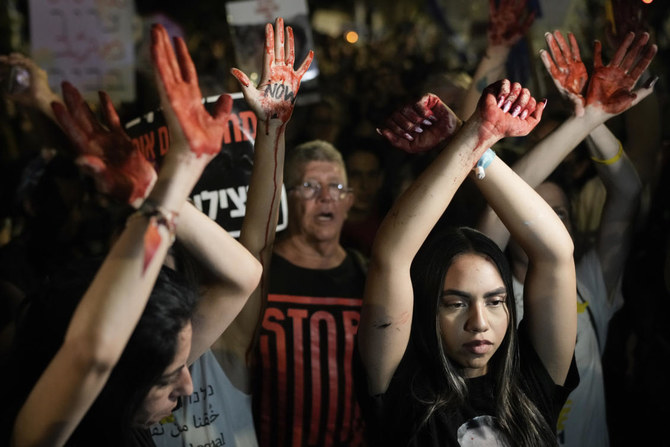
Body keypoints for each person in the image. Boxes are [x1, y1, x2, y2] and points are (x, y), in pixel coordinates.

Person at [3, 23, 262, 446]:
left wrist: (149, 191)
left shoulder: (139, 376)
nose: (187, 387)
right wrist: (179, 171)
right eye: (165, 379)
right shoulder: (41, 433)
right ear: (111, 378)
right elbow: (92, 354)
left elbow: (244, 277)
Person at [357, 79, 578, 446]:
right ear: (428, 307)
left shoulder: (530, 383)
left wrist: (477, 144)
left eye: (495, 302)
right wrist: (475, 135)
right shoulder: (403, 391)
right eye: (455, 303)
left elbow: (556, 254)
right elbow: (392, 256)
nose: (479, 323)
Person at [476, 30, 656, 447]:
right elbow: (499, 203)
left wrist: (593, 118)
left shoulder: (589, 285)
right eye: (533, 211)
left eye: (558, 214)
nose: (546, 223)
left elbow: (627, 192)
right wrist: (584, 120)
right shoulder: (486, 290)